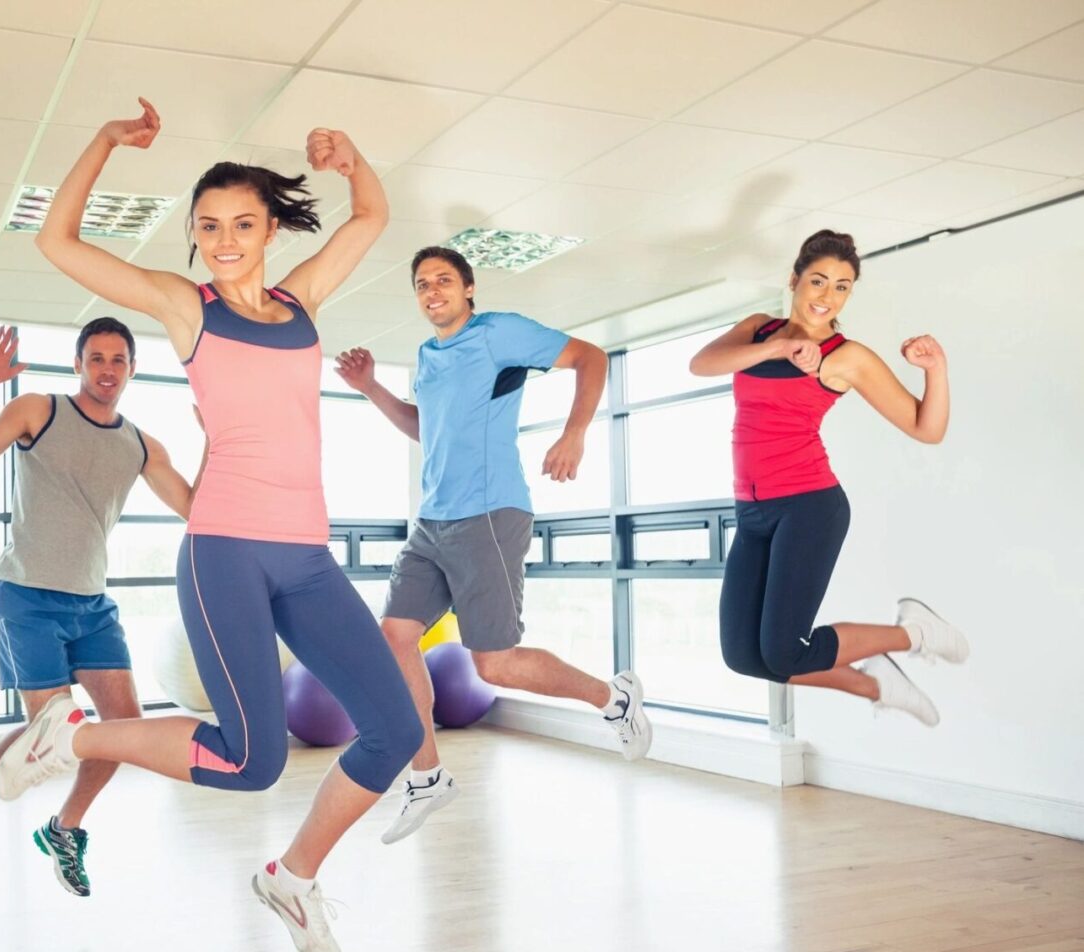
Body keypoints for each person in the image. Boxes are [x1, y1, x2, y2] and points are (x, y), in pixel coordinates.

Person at [1, 97, 421, 952]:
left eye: (242, 224)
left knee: (393, 728)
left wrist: (352, 157)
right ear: (194, 236)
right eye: (208, 226)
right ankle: (66, 738)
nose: (225, 239)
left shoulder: (301, 303)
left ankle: (293, 876)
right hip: (224, 549)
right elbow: (58, 242)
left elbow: (373, 215)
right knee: (250, 761)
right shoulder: (183, 306)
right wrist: (105, 138)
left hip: (305, 555)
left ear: (271, 230)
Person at [334, 245, 651, 845]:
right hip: (431, 520)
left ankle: (613, 697)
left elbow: (590, 356)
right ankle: (427, 776)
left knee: (495, 663)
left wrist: (575, 433)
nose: (433, 292)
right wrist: (371, 387)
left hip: (488, 513)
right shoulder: (428, 355)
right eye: (422, 284)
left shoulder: (497, 333)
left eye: (444, 281)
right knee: (395, 637)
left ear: (469, 288)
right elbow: (426, 428)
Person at [0, 316, 202, 896]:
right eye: (97, 358)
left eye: (118, 360)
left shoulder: (139, 443)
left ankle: (66, 827)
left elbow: (196, 508)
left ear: (132, 369)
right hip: (28, 593)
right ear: (78, 364)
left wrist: (216, 440)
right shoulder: (40, 410)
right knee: (51, 728)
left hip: (92, 602)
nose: (107, 370)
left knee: (122, 730)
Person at [689, 229, 967, 724]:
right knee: (743, 656)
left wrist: (937, 369)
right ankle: (875, 681)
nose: (827, 296)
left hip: (809, 505)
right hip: (752, 512)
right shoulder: (757, 329)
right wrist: (777, 347)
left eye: (842, 286)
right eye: (818, 281)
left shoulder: (846, 356)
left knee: (784, 652)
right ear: (794, 280)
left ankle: (914, 633)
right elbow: (702, 364)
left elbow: (928, 428)